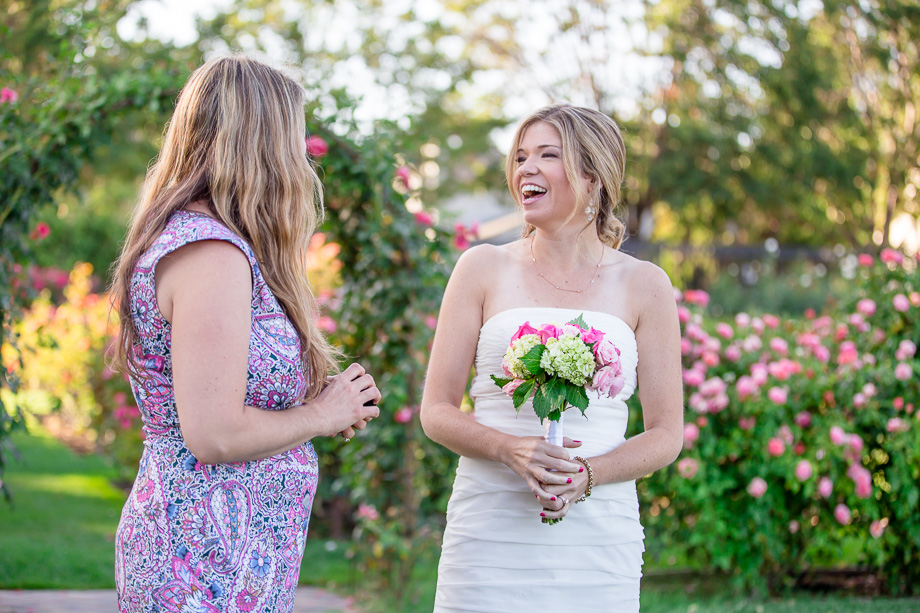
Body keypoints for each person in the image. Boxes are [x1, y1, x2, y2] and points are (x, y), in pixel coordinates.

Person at [109, 55, 381, 612]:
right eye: (295, 141)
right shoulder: (210, 253)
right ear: (261, 142)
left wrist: (323, 400)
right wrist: (323, 416)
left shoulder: (213, 245)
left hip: (230, 560)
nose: (302, 163)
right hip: (201, 564)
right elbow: (215, 435)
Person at [421, 104, 684, 611]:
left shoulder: (646, 285)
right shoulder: (481, 267)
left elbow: (666, 435)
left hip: (597, 539)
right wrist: (509, 449)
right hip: (490, 533)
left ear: (593, 175)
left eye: (547, 155)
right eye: (520, 157)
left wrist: (588, 474)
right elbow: (436, 412)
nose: (525, 169)